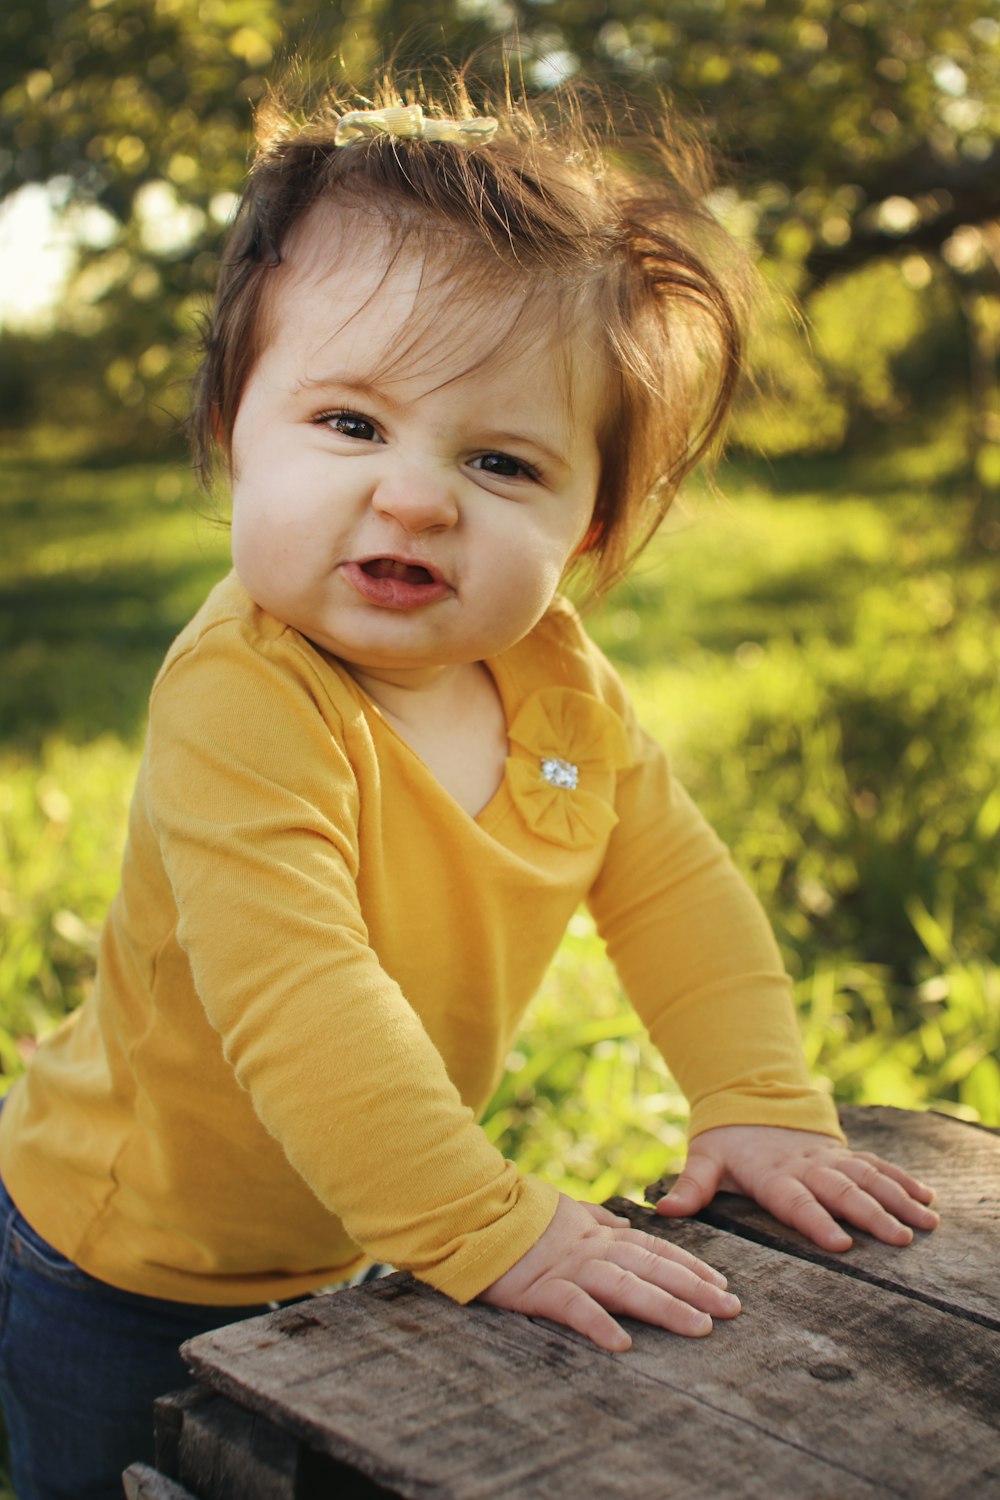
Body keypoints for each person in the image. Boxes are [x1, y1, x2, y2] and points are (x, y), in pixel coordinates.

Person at [0, 73, 939, 1499]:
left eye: (501, 460)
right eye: (352, 426)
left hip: (366, 1218)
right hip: (132, 1256)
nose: (422, 497)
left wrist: (754, 1095)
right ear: (227, 431)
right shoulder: (245, 699)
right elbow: (302, 997)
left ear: (591, 528)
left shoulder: (558, 689)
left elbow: (672, 884)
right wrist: (490, 1223)